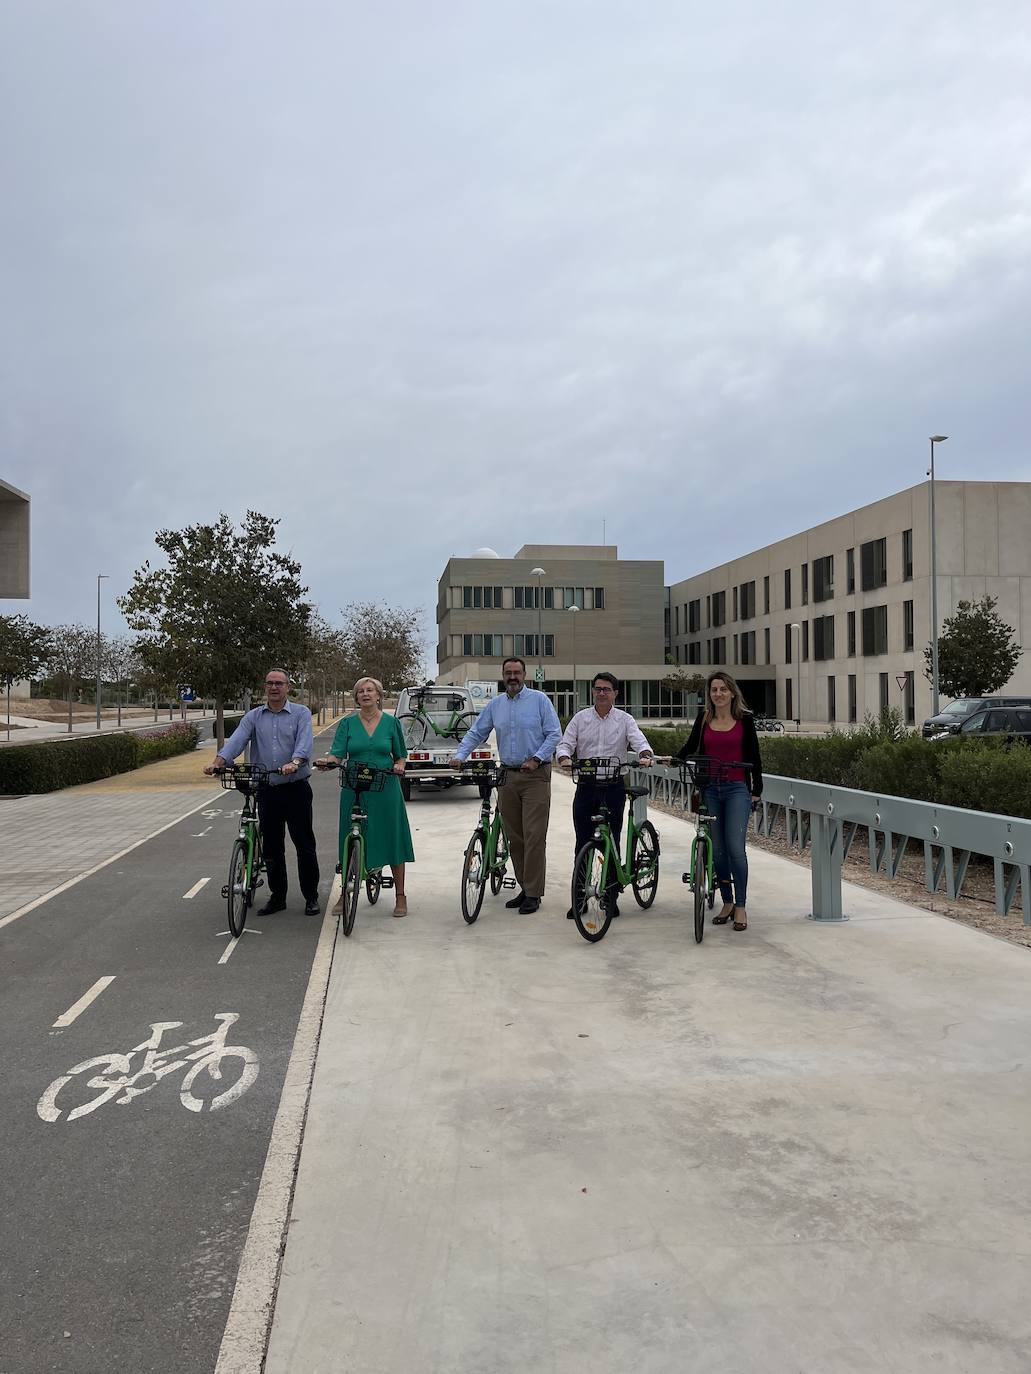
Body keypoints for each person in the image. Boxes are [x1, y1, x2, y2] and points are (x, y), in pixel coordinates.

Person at [205, 668, 320, 915]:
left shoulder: (300, 713)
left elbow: (304, 742)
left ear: (288, 687)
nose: (274, 687)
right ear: (265, 687)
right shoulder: (254, 716)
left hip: (296, 787)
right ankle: (278, 898)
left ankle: (311, 896)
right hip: (268, 788)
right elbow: (237, 740)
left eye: (279, 683)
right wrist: (218, 762)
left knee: (304, 844)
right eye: (270, 683)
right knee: (272, 848)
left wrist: (296, 761)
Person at [450, 657, 561, 913]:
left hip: (535, 776)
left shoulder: (539, 700)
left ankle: (533, 893)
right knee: (515, 838)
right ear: (503, 676)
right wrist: (460, 755)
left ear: (525, 675)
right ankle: (525, 887)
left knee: (534, 836)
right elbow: (477, 732)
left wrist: (536, 759)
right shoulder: (496, 705)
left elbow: (555, 733)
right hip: (507, 776)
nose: (512, 677)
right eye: (508, 673)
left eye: (517, 672)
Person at [666, 671, 763, 931]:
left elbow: (754, 756)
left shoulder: (745, 720)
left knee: (735, 848)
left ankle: (741, 906)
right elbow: (691, 747)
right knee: (717, 850)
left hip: (737, 789)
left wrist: (757, 789)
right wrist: (674, 759)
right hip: (710, 788)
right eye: (714, 690)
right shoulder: (704, 719)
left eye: (723, 689)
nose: (718, 694)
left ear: (732, 692)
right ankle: (727, 902)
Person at [556, 672, 654, 918]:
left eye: (606, 689)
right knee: (582, 841)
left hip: (613, 787)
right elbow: (565, 744)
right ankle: (579, 898)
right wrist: (565, 757)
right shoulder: (580, 719)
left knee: (612, 840)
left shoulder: (625, 720)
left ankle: (610, 897)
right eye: (598, 689)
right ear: (592, 691)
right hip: (586, 786)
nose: (601, 693)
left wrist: (645, 755)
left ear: (615, 694)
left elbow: (639, 741)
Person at [315, 676, 413, 917]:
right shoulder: (347, 724)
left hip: (385, 786)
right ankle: (345, 892)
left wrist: (399, 765)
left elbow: (401, 755)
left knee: (392, 837)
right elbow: (337, 754)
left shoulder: (391, 723)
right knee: (350, 836)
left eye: (370, 690)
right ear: (356, 697)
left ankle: (400, 896)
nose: (365, 694)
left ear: (379, 695)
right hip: (354, 786)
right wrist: (328, 762)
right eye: (361, 691)